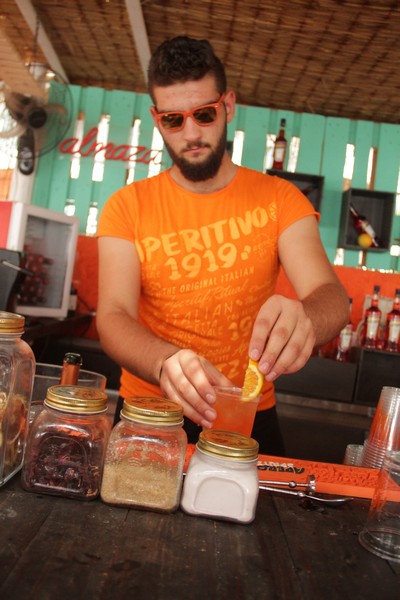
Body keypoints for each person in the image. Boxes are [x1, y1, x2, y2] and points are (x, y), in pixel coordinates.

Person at [96, 36, 349, 455]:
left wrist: (305, 316)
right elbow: (113, 316)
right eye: (174, 120)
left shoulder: (280, 199)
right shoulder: (127, 206)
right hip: (149, 410)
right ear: (157, 120)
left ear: (228, 105)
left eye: (204, 113)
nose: (191, 133)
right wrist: (165, 362)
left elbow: (332, 298)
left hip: (245, 411)